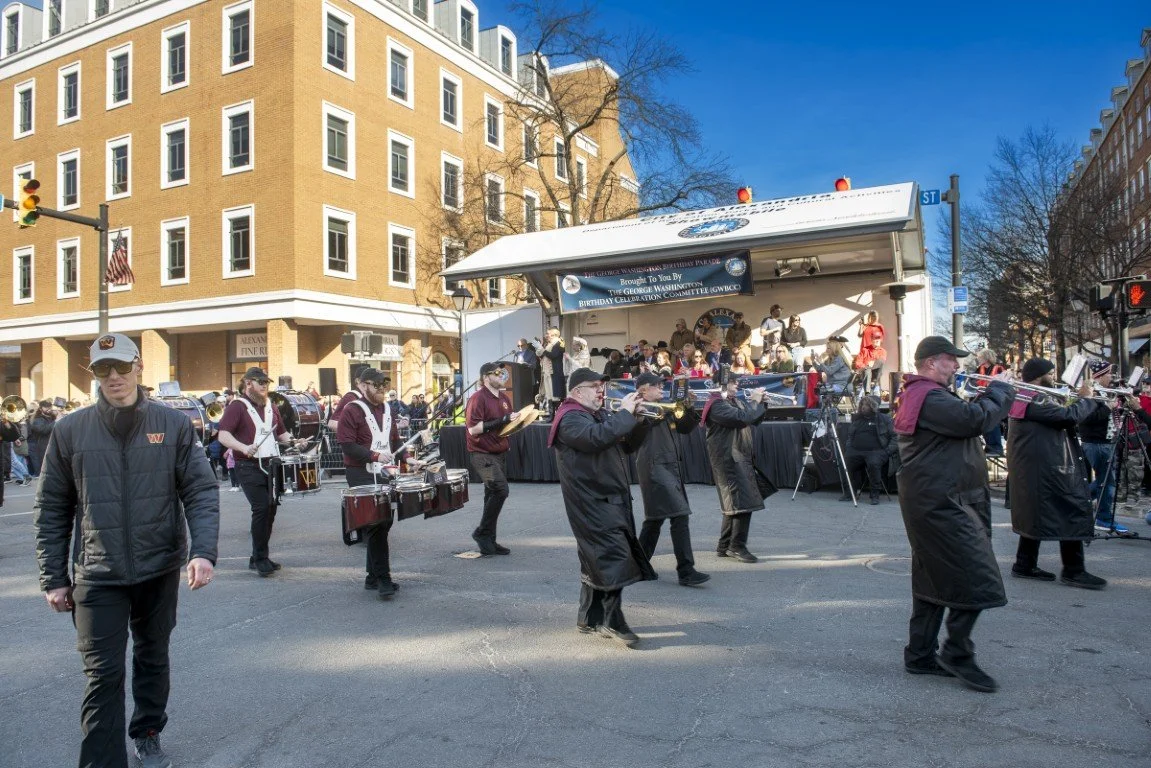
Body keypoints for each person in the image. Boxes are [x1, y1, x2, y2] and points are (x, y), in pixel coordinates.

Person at [34, 332, 219, 768]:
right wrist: (54, 578)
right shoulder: (68, 430)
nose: (113, 376)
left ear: (138, 366)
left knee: (153, 657)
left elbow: (200, 490)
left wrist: (203, 551)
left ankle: (148, 731)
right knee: (102, 676)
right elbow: (51, 509)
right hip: (98, 574)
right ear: (92, 373)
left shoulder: (172, 424)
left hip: (158, 567)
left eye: (121, 366)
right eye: (103, 369)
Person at [894, 336, 1015, 693]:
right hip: (941, 503)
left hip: (939, 499)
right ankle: (957, 652)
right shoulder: (928, 396)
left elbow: (961, 421)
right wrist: (999, 392)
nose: (957, 366)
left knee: (932, 578)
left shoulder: (925, 395)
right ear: (931, 363)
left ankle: (920, 655)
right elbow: (972, 421)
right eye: (951, 360)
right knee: (977, 576)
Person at [546, 367, 656, 647]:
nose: (600, 390)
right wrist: (624, 415)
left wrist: (640, 420)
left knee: (595, 557)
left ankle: (588, 617)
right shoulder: (569, 417)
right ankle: (611, 619)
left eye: (601, 385)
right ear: (576, 392)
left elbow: (625, 445)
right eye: (594, 385)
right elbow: (595, 439)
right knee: (613, 557)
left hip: (607, 497)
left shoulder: (597, 414)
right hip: (590, 501)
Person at [1007, 358, 1109, 590]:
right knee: (1070, 510)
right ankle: (1074, 570)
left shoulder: (1026, 397)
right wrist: (1087, 398)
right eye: (1051, 374)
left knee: (1036, 515)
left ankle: (1024, 564)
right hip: (1048, 468)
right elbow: (1068, 417)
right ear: (1037, 376)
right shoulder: (1036, 398)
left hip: (1036, 468)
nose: (1054, 378)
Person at [217, 367, 309, 577]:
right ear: (248, 383)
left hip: (271, 463)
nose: (265, 387)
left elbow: (281, 434)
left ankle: (259, 555)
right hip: (247, 464)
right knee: (261, 508)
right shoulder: (237, 407)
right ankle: (259, 558)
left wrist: (296, 442)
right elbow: (223, 435)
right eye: (261, 383)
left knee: (271, 508)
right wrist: (242, 447)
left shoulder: (272, 407)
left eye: (266, 383)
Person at [625, 373, 710, 586]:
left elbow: (685, 428)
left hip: (669, 466)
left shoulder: (665, 406)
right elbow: (635, 434)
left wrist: (687, 405)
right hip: (654, 466)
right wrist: (655, 411)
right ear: (643, 389)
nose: (662, 388)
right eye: (657, 386)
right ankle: (686, 570)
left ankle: (636, 564)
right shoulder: (638, 407)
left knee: (655, 519)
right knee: (679, 515)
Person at [337, 367, 405, 598]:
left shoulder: (387, 409)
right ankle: (384, 580)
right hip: (360, 472)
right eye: (377, 385)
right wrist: (375, 455)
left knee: (384, 524)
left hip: (384, 471)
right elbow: (347, 445)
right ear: (364, 385)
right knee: (377, 524)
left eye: (384, 385)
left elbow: (394, 440)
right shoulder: (351, 410)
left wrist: (408, 458)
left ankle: (372, 576)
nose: (382, 390)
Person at [702, 369, 770, 562]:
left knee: (735, 502)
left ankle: (724, 545)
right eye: (733, 382)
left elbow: (753, 419)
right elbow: (743, 418)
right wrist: (755, 401)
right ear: (723, 384)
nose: (737, 385)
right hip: (728, 459)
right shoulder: (716, 405)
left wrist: (763, 403)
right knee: (743, 502)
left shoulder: (734, 401)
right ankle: (736, 546)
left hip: (739, 456)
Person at [465, 362, 515, 556]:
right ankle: (482, 532)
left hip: (499, 454)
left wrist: (516, 421)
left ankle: (489, 541)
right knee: (500, 490)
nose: (502, 375)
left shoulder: (503, 398)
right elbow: (473, 429)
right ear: (486, 377)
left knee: (491, 495)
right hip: (481, 456)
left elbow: (506, 426)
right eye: (497, 373)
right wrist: (502, 421)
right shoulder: (477, 399)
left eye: (502, 372)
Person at [844, 395, 898, 505]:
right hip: (857, 450)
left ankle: (875, 495)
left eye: (867, 405)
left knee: (874, 463)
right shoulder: (857, 419)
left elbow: (895, 437)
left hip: (877, 451)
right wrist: (849, 448)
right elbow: (850, 436)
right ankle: (850, 493)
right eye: (862, 404)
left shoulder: (884, 419)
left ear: (873, 406)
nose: (863, 407)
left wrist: (887, 451)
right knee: (846, 462)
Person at [974, 349, 1007, 456]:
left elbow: (1003, 383)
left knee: (992, 421)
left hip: (995, 398)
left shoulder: (998, 369)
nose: (978, 359)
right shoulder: (979, 369)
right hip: (983, 398)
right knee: (983, 421)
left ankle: (995, 448)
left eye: (980, 357)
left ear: (986, 357)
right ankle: (989, 446)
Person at [28, 398, 56, 476]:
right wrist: (56, 421)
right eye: (46, 407)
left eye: (50, 407)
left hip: (53, 444)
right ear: (40, 408)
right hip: (42, 446)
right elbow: (43, 430)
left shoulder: (52, 417)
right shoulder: (37, 419)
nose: (48, 409)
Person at [540, 328, 566, 405]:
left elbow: (553, 355)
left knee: (555, 395)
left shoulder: (559, 343)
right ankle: (551, 415)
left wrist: (543, 351)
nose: (548, 336)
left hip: (555, 371)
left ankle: (557, 414)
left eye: (550, 334)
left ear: (554, 335)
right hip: (547, 371)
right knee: (549, 395)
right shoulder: (550, 344)